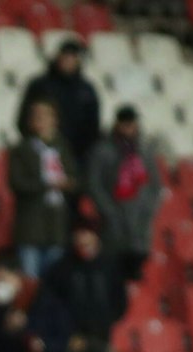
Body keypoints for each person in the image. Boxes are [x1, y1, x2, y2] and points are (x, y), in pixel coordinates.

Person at [40, 227, 126, 352]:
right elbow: (50, 304)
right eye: (80, 239)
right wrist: (65, 335)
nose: (84, 244)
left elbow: (120, 301)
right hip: (68, 346)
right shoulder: (62, 268)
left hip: (98, 343)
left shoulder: (109, 267)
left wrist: (104, 324)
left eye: (88, 238)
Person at [87, 106, 162, 285]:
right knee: (113, 268)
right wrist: (108, 210)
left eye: (132, 123)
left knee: (137, 268)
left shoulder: (144, 151)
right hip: (114, 220)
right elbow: (94, 183)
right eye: (125, 124)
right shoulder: (103, 150)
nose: (129, 128)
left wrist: (149, 207)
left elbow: (155, 184)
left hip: (140, 220)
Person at [9, 101, 76, 280]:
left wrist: (68, 184)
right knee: (30, 283)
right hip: (30, 227)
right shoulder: (22, 149)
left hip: (56, 227)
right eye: (37, 116)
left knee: (53, 283)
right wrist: (48, 184)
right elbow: (17, 183)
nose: (41, 120)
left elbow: (76, 179)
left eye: (45, 116)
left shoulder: (63, 148)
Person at [16, 40, 102, 170]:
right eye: (65, 56)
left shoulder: (87, 90)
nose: (68, 61)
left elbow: (93, 126)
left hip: (76, 157)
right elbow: (24, 119)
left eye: (72, 57)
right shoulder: (40, 85)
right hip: (41, 154)